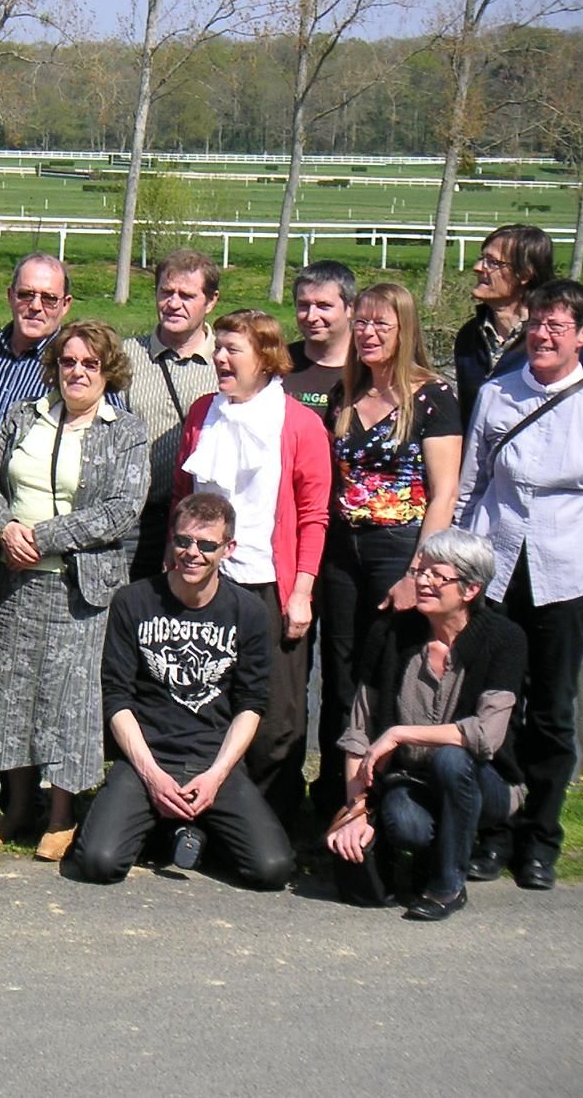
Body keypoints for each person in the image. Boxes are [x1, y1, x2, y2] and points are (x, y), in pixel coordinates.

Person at [456, 279, 583, 892]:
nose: (542, 335)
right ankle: (494, 831)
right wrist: (453, 563)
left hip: (569, 571)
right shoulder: (495, 393)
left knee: (553, 713)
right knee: (493, 704)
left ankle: (540, 840)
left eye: (558, 327)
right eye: (537, 323)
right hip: (497, 566)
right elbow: (470, 484)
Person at [0, 320, 149, 862]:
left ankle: (63, 813)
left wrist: (40, 537)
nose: (78, 372)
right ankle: (18, 807)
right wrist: (5, 530)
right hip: (14, 582)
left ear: (107, 370)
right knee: (11, 695)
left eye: (90, 364)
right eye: (69, 361)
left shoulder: (127, 431)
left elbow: (121, 509)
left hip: (81, 589)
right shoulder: (23, 417)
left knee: (69, 702)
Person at [63, 493, 296, 890]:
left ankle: (191, 829)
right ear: (171, 540)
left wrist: (217, 775)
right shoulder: (133, 601)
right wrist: (151, 774)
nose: (193, 553)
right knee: (99, 863)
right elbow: (117, 698)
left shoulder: (249, 612)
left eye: (207, 545)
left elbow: (251, 704)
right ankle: (168, 828)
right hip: (147, 759)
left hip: (213, 762)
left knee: (271, 869)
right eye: (184, 541)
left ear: (228, 549)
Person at [174, 309, 330, 825]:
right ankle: (200, 819)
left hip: (269, 585)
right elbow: (183, 497)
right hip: (203, 583)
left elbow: (313, 515)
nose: (219, 357)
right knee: (202, 702)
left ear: (264, 359)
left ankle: (271, 824)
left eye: (231, 349)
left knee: (276, 717)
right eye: (218, 347)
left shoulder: (300, 423)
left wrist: (302, 591)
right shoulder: (202, 414)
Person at [314, 282, 462, 822]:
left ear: (404, 330)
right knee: (338, 672)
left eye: (382, 325)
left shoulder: (433, 397)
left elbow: (444, 493)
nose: (369, 334)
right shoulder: (345, 394)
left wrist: (416, 573)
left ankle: (386, 800)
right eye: (362, 323)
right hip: (341, 549)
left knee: (387, 670)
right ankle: (337, 797)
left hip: (398, 547)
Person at [327, 529, 525, 921]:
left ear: (470, 590)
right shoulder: (389, 634)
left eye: (438, 576)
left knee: (451, 760)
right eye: (422, 571)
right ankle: (428, 857)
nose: (423, 581)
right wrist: (356, 810)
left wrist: (400, 733)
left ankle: (447, 885)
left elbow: (485, 736)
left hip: (487, 781)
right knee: (405, 827)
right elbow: (358, 733)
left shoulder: (504, 638)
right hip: (412, 779)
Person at [122, 249, 221, 578]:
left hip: (202, 526)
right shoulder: (125, 357)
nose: (173, 303)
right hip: (136, 522)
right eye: (166, 292)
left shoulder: (228, 361)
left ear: (211, 301)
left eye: (187, 295)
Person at [453, 223, 583, 427]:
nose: (478, 268)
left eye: (492, 262)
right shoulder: (469, 336)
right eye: (481, 258)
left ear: (525, 274)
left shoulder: (558, 341)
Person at [0, 254, 74, 427]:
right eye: (26, 295)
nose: (35, 306)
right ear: (10, 296)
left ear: (65, 305)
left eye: (49, 299)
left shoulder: (76, 365)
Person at [286, 260, 355, 419]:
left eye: (324, 306)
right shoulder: (275, 364)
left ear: (351, 308)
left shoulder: (370, 368)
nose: (311, 317)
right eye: (303, 305)